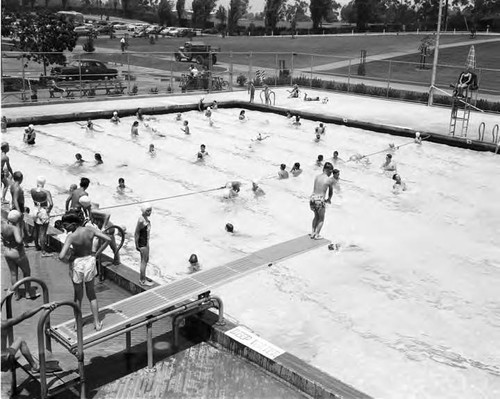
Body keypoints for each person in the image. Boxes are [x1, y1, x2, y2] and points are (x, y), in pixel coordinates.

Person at [59, 213, 111, 331]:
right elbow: (108, 239)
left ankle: (78, 323)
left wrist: (68, 261)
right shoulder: (90, 230)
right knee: (91, 293)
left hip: (78, 263)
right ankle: (97, 323)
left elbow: (61, 256)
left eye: (66, 225)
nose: (65, 228)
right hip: (90, 261)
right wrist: (97, 254)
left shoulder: (71, 237)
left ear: (73, 224)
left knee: (78, 295)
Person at [1, 302, 59, 374]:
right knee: (21, 341)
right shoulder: (3, 324)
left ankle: (7, 363)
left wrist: (6, 296)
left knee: (13, 344)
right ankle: (35, 366)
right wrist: (41, 307)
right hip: (3, 360)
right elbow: (24, 315)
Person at [1, 210, 38, 300]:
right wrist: (21, 232)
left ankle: (16, 294)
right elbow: (19, 241)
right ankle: (28, 293)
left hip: (7, 252)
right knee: (27, 272)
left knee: (13, 274)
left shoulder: (2, 225)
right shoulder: (15, 228)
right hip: (17, 253)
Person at [309, 162, 335, 240]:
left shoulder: (317, 177)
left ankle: (312, 233)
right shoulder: (329, 180)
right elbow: (330, 192)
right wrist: (329, 199)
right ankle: (317, 235)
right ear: (328, 170)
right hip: (320, 200)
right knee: (321, 219)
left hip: (312, 199)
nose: (331, 173)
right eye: (331, 171)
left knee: (316, 216)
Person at [30, 176, 53, 256]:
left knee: (36, 229)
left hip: (35, 210)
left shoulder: (32, 190)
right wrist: (48, 211)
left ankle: (37, 246)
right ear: (44, 183)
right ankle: (43, 252)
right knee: (43, 232)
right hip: (43, 211)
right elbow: (51, 204)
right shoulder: (46, 192)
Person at [135, 203, 154, 287]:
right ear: (143, 211)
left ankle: (143, 276)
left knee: (146, 260)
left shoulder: (145, 219)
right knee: (143, 261)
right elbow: (136, 233)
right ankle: (142, 280)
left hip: (146, 242)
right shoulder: (141, 220)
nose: (150, 212)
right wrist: (136, 245)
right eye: (147, 210)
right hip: (143, 243)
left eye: (150, 210)